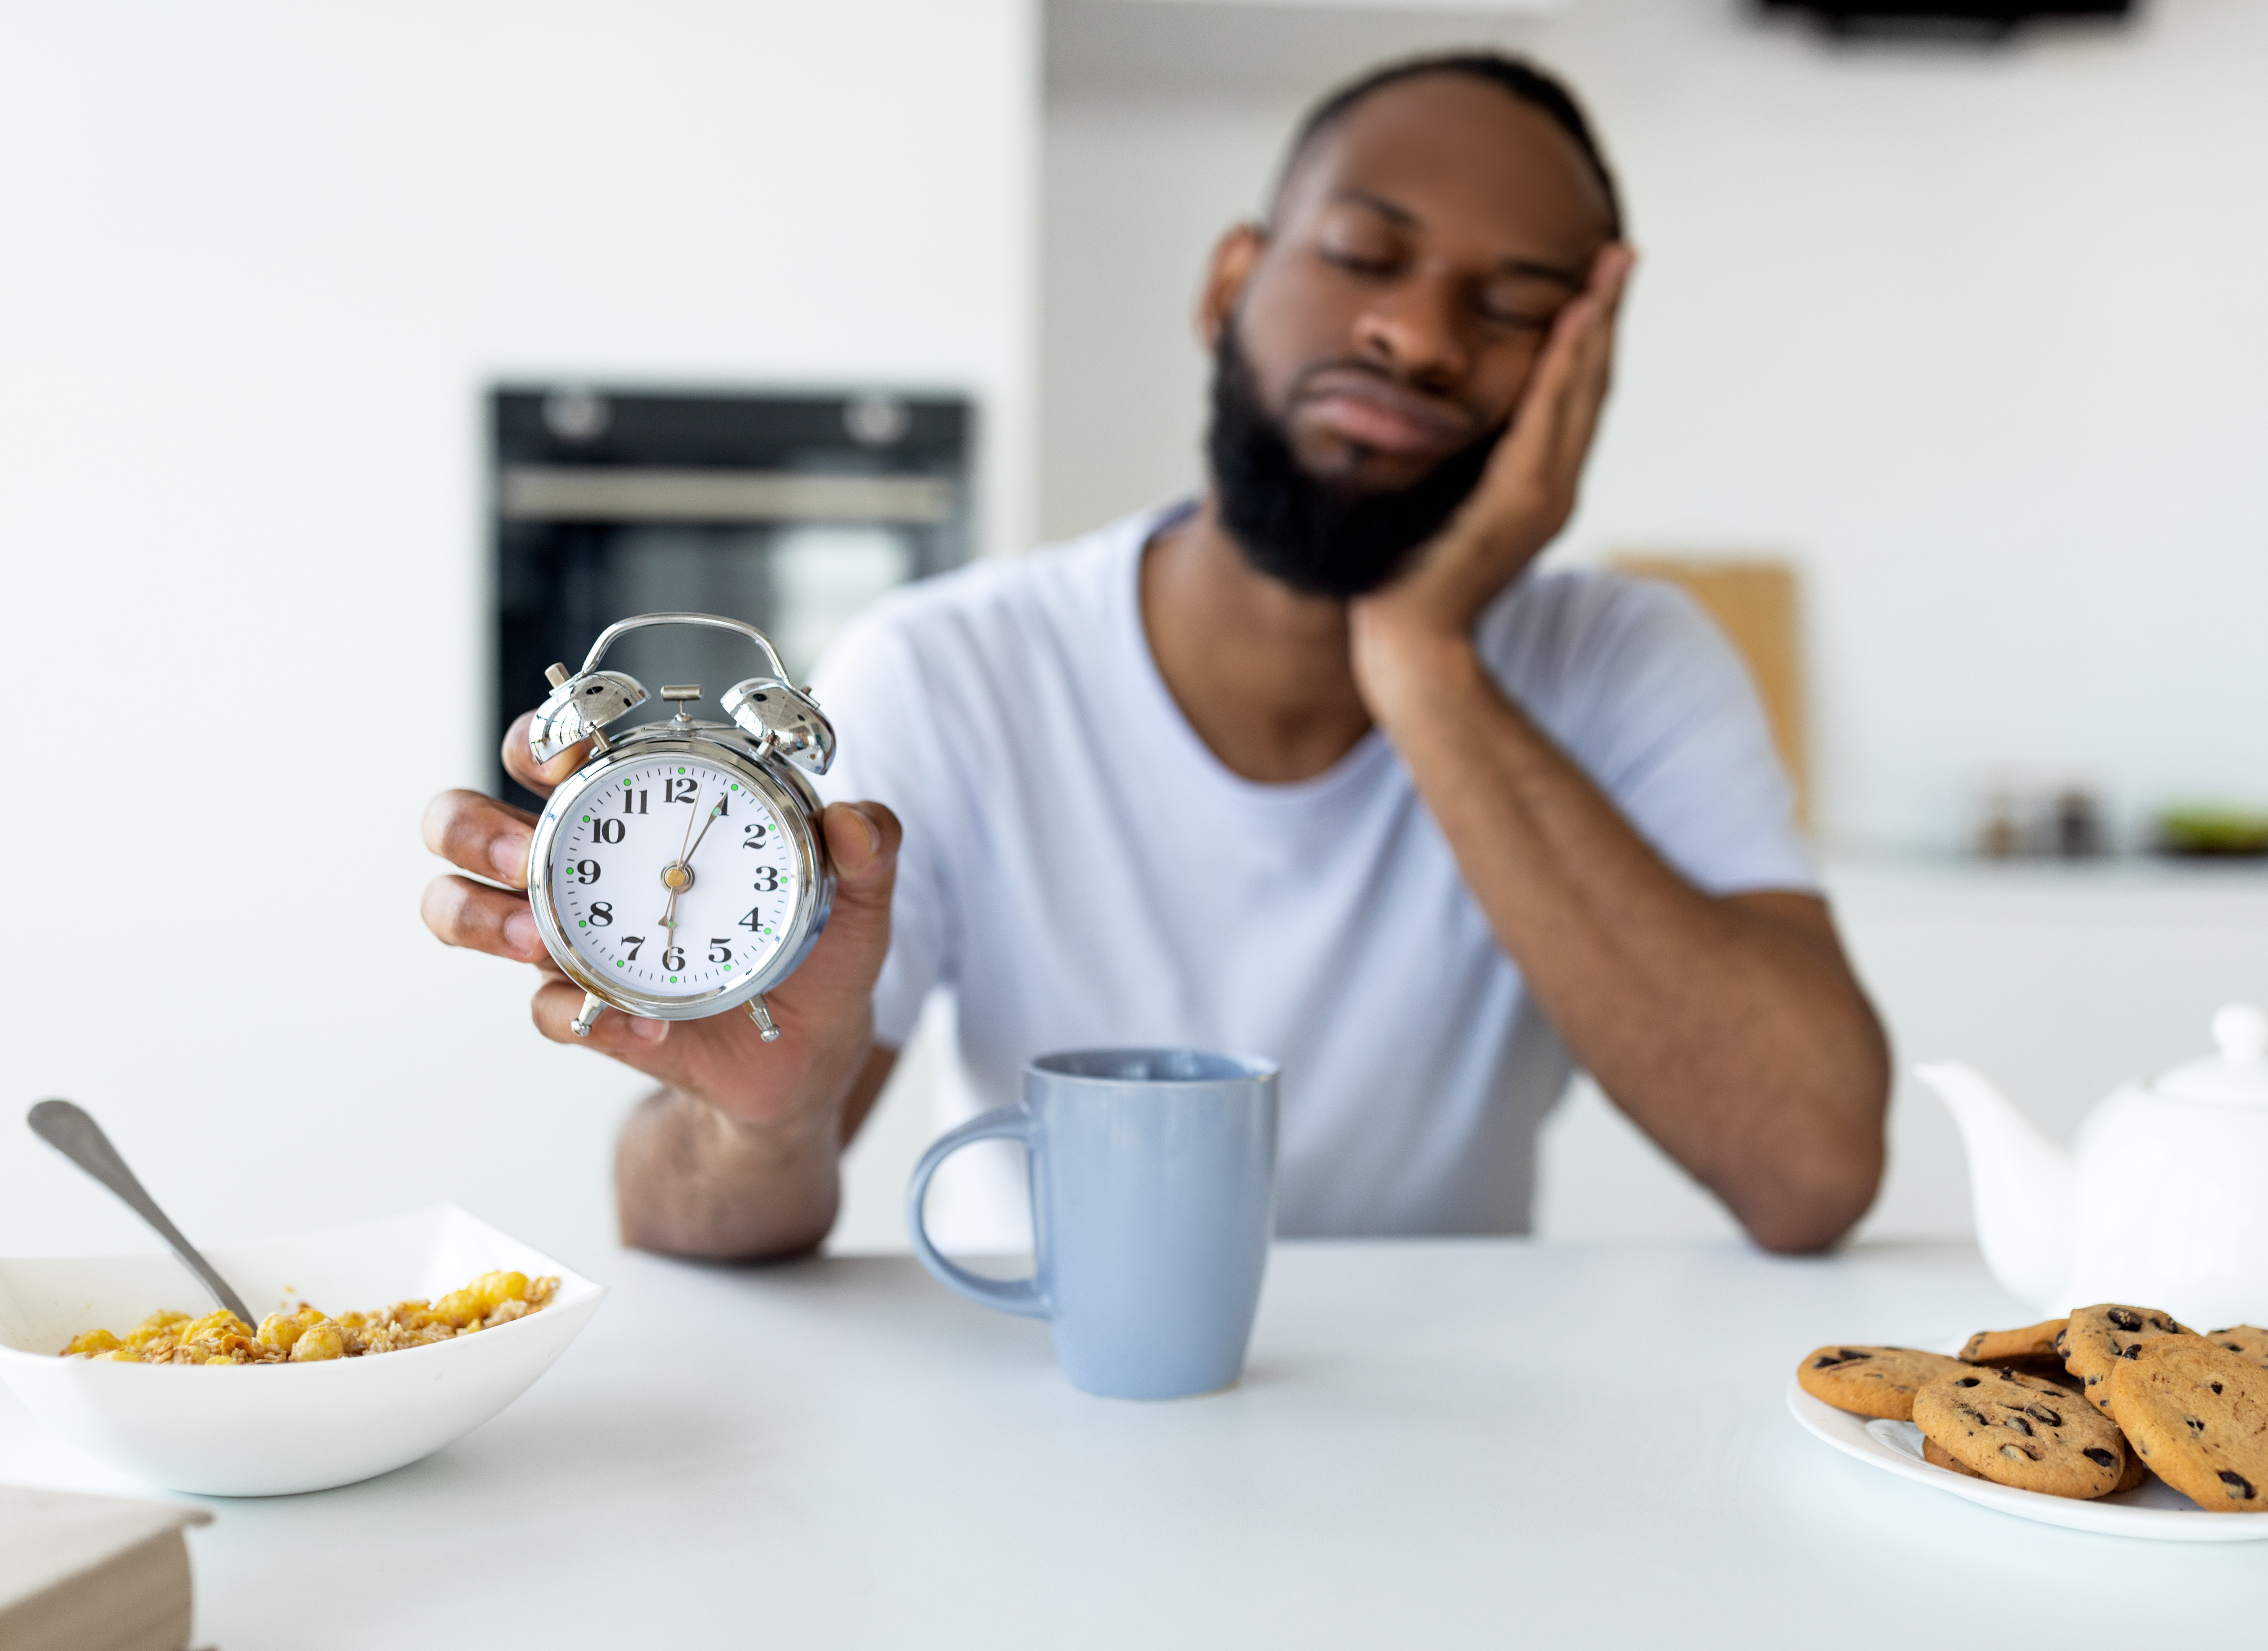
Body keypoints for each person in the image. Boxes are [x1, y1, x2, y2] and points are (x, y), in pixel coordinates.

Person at [420, 53, 1890, 1261]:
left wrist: (1423, 658)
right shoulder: (949, 673)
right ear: (1228, 286)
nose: (1419, 334)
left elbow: (1811, 1166)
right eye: (1367, 254)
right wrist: (763, 1118)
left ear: (1580, 383)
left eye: (1511, 310)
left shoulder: (1627, 660)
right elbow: (692, 1226)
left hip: (1457, 1451)